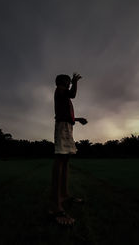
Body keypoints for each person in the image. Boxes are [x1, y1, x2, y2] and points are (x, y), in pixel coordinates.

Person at [49, 73, 88, 226]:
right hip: (62, 128)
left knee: (66, 160)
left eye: (69, 81)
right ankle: (54, 206)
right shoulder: (59, 89)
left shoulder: (62, 94)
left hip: (67, 126)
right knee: (60, 159)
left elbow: (65, 113)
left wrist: (77, 119)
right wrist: (75, 82)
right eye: (68, 81)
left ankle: (64, 195)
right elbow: (73, 94)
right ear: (61, 82)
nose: (69, 83)